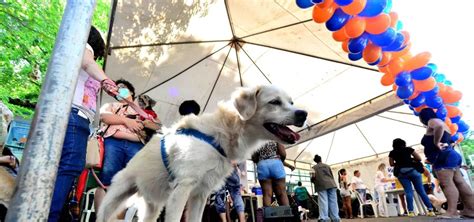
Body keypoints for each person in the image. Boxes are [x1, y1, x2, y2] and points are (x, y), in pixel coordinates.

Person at [48, 26, 117, 222]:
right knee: (70, 165)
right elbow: (87, 62)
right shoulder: (83, 46)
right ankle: (49, 216)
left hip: (76, 117)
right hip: (73, 114)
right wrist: (107, 81)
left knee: (66, 167)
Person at [94, 79, 159, 216]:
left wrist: (146, 122)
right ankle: (101, 217)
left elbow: (157, 125)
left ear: (131, 92)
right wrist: (126, 120)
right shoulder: (111, 105)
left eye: (123, 88)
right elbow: (104, 117)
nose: (119, 90)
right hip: (113, 142)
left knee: (129, 182)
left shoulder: (142, 110)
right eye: (116, 88)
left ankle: (118, 218)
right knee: (107, 178)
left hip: (136, 145)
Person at [419, 108, 474, 218]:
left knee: (446, 183)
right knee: (460, 183)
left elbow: (438, 126)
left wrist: (436, 142)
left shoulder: (432, 121)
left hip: (443, 157)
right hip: (450, 155)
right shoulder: (445, 125)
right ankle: (471, 210)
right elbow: (449, 141)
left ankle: (452, 212)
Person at [389, 138, 435, 217]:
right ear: (403, 143)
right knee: (421, 191)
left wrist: (399, 162)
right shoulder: (409, 149)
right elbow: (419, 159)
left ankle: (411, 212)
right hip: (413, 171)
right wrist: (410, 160)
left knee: (408, 192)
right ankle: (430, 210)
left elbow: (391, 164)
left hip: (401, 172)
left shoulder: (392, 153)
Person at [252, 141, 294, 207]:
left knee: (267, 194)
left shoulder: (257, 138)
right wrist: (279, 161)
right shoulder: (273, 135)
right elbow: (283, 153)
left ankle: (268, 216)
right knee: (282, 193)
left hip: (262, 165)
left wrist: (261, 161)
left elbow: (253, 157)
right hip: (276, 162)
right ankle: (286, 215)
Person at [311, 154, 340, 222]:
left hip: (321, 185)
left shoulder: (313, 167)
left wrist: (314, 181)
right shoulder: (327, 166)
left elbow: (312, 177)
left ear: (315, 161)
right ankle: (335, 218)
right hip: (332, 184)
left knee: (323, 201)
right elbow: (331, 175)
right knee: (333, 201)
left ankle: (324, 218)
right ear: (321, 159)